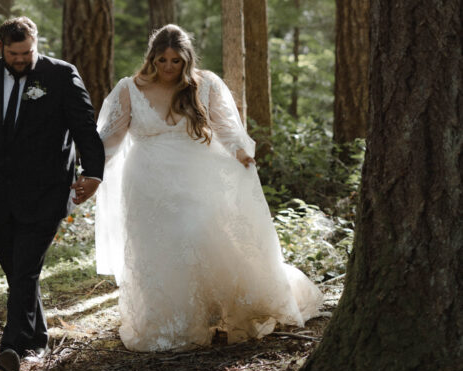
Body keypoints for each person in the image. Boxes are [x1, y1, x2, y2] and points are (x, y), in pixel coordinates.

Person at [95, 24, 323, 352]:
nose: (169, 67)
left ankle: (215, 310)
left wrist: (241, 152)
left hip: (196, 178)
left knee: (197, 236)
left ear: (186, 60)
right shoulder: (130, 89)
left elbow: (226, 125)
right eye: (163, 60)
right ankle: (172, 322)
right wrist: (90, 167)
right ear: (152, 58)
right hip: (146, 184)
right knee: (158, 249)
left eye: (176, 61)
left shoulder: (205, 84)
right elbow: (111, 137)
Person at [0, 16, 104, 371]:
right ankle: (36, 336)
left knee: (24, 268)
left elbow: (85, 126)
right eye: (14, 53)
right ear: (1, 47)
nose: (22, 59)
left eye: (27, 52)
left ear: (36, 44)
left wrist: (93, 173)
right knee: (18, 270)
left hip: (47, 189)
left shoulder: (61, 74)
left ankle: (11, 344)